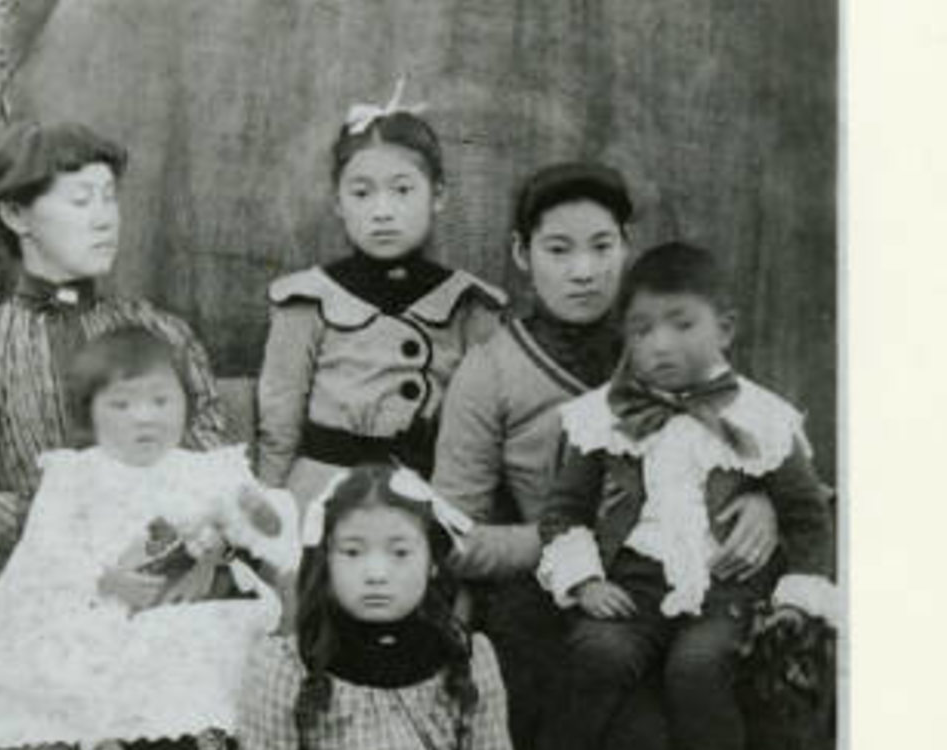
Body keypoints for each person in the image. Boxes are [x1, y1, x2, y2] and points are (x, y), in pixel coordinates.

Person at [432, 162, 781, 750]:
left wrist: (761, 499)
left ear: (627, 245)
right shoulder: (490, 370)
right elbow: (452, 535)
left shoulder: (673, 344)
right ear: (522, 253)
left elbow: (752, 435)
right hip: (555, 602)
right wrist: (574, 547)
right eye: (558, 249)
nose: (584, 272)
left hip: (685, 584)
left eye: (602, 246)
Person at [0, 121, 227, 750]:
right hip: (18, 612)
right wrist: (64, 521)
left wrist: (151, 559)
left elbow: (211, 469)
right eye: (81, 200)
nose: (104, 218)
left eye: (110, 197)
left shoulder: (159, 335)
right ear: (16, 214)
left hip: (153, 605)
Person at [535, 241, 837, 750]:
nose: (660, 345)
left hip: (728, 593)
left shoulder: (762, 417)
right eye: (642, 329)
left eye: (682, 324)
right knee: (598, 653)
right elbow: (564, 510)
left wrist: (793, 602)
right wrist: (585, 581)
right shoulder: (606, 416)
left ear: (725, 328)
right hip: (633, 585)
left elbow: (807, 517)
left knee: (697, 669)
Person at [0, 328, 299, 750]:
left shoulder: (207, 471)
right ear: (90, 415)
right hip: (104, 604)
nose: (145, 417)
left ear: (186, 404)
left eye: (161, 401)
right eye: (121, 404)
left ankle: (203, 733)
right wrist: (104, 579)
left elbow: (275, 540)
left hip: (192, 605)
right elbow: (46, 554)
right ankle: (110, 735)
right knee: (79, 651)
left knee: (213, 635)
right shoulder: (75, 476)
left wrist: (254, 513)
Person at [256, 79, 507, 509]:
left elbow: (482, 432)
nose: (382, 211)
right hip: (322, 496)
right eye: (361, 192)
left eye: (403, 190)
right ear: (338, 201)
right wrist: (262, 521)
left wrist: (462, 521)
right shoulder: (306, 301)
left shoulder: (470, 305)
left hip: (429, 497)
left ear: (438, 195)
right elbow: (279, 426)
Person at [237, 463, 513, 750]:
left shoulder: (468, 661)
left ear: (431, 562)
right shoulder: (287, 670)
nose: (376, 574)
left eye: (400, 553)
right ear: (327, 560)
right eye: (353, 552)